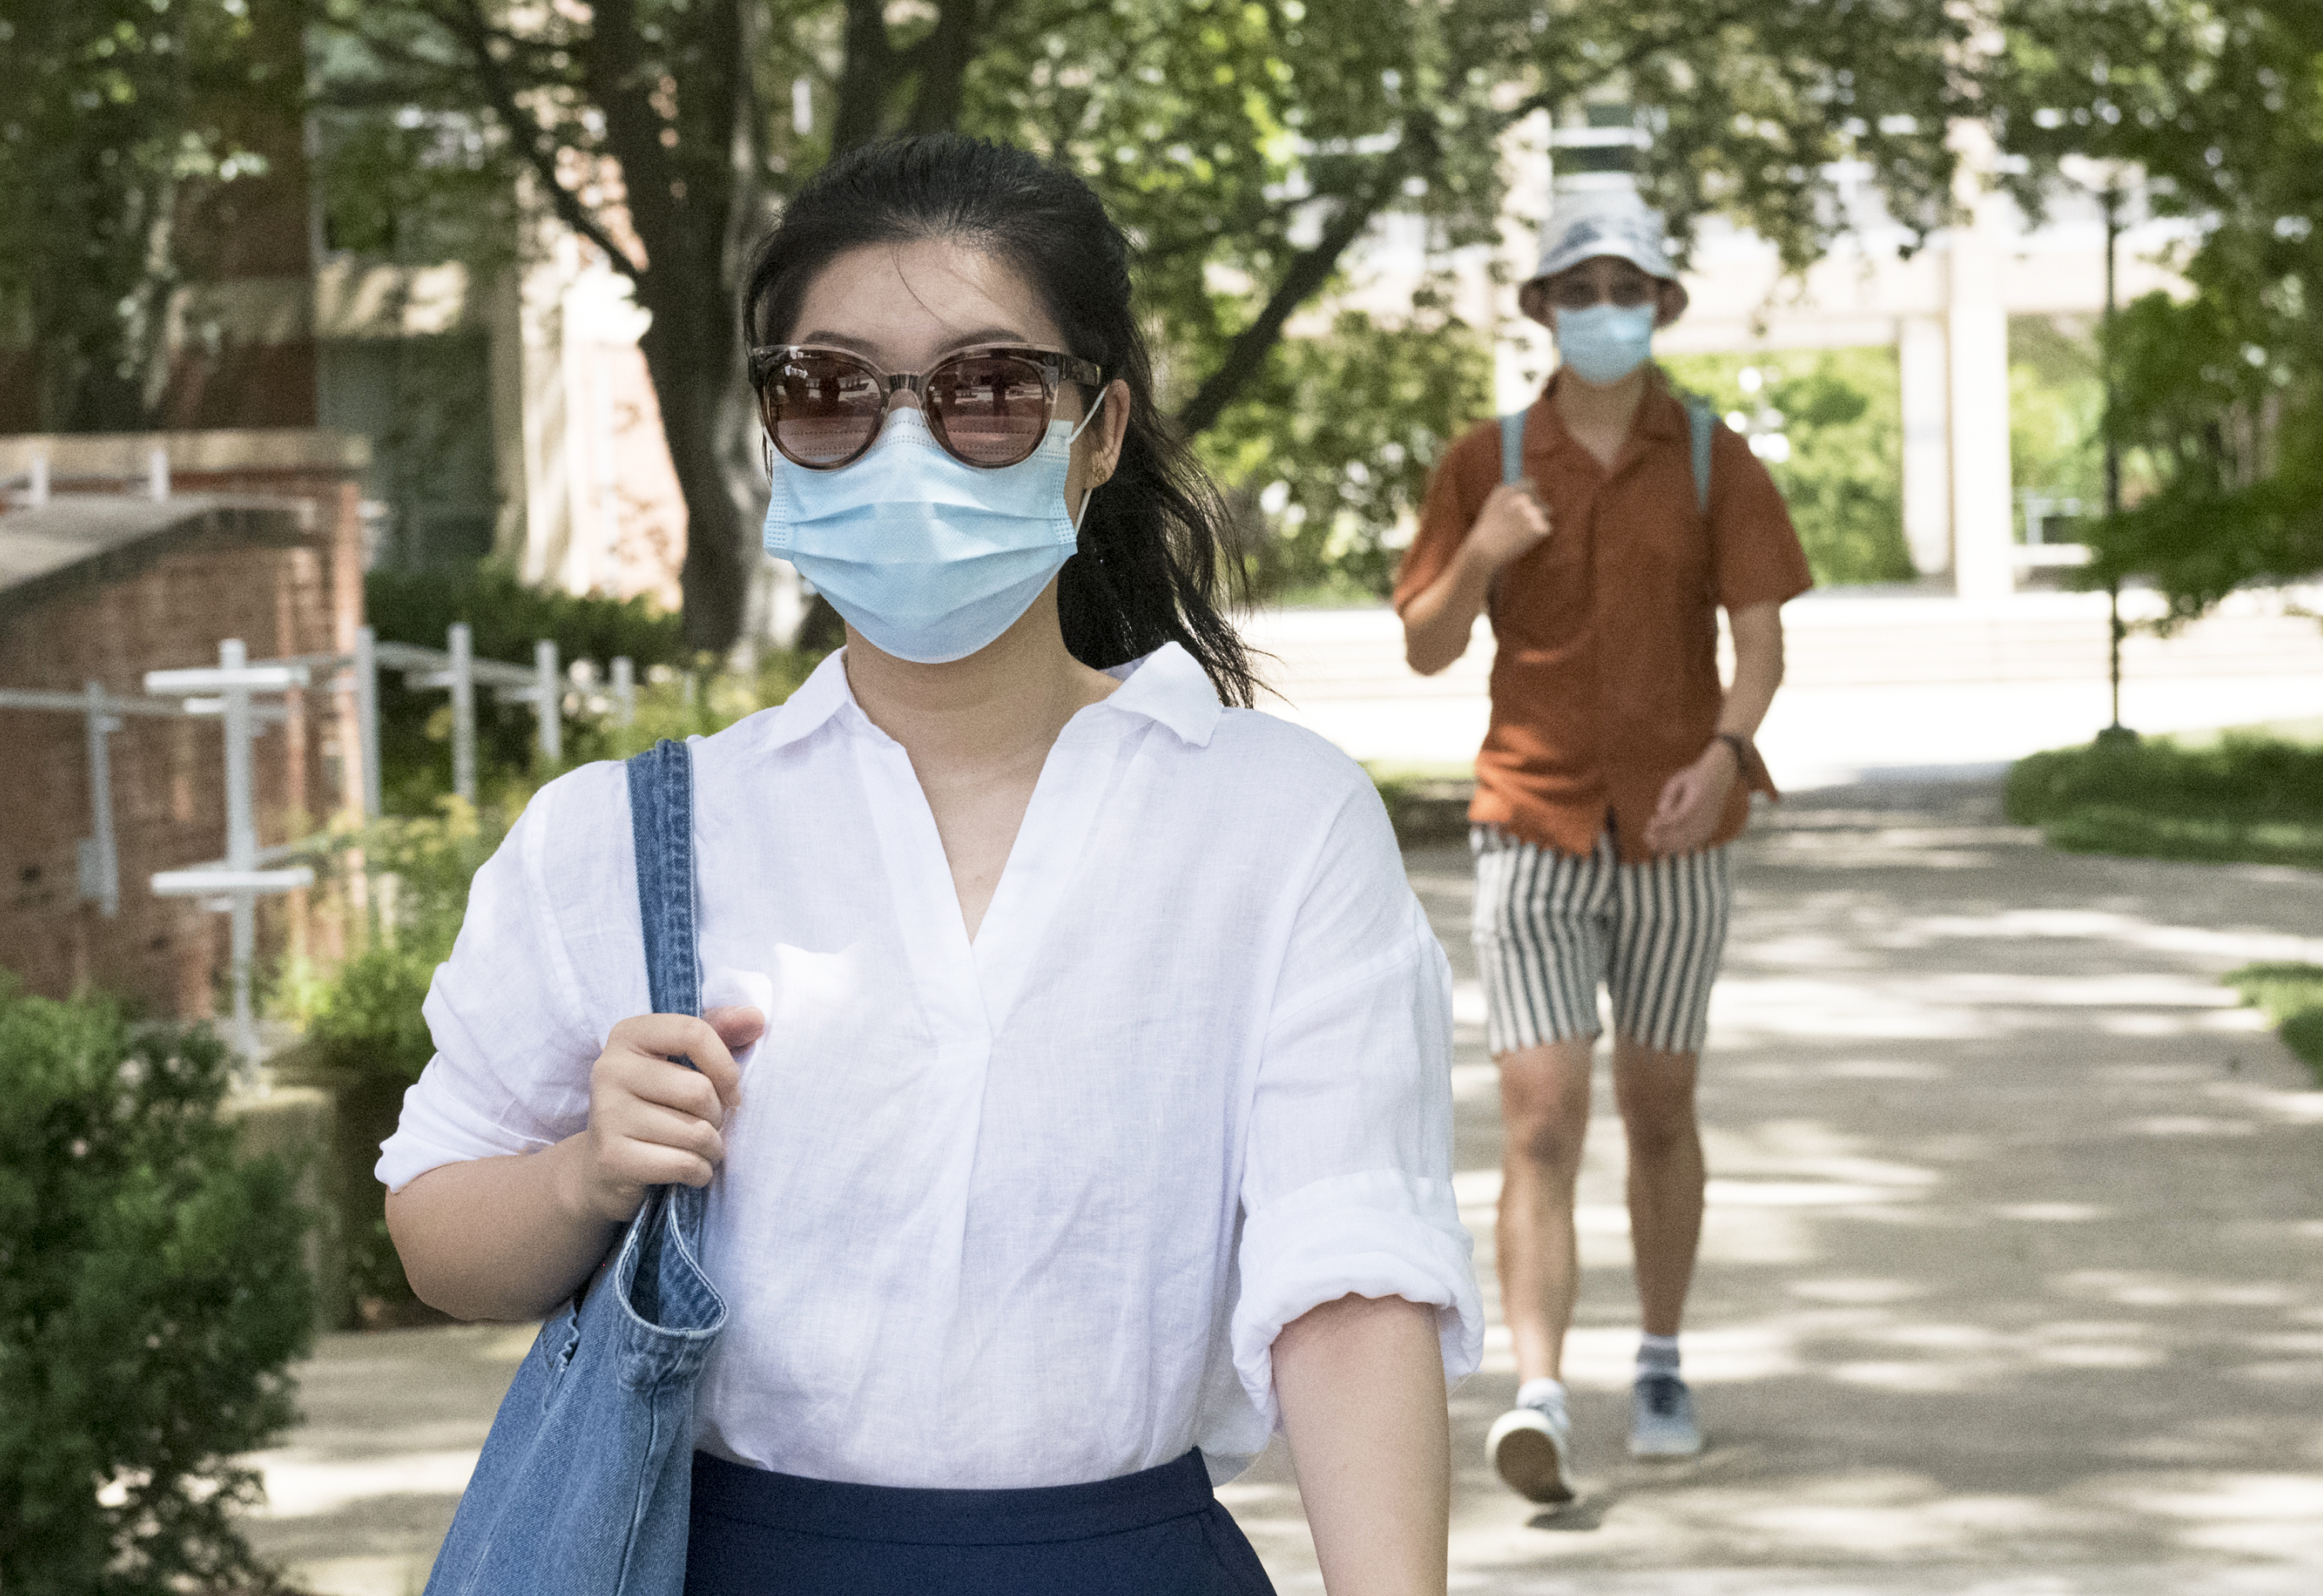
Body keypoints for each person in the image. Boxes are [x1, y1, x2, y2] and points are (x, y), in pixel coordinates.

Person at [379, 134, 1480, 1595]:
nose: (906, 442)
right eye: (830, 388)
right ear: (774, 428)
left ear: (1098, 430)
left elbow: (1348, 1283)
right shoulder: (630, 833)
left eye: (987, 388)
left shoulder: (1273, 824)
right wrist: (587, 1171)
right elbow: (436, 1227)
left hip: (1124, 1560)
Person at [1393, 186, 1809, 1503]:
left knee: (1659, 1108)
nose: (1605, 311)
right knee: (1541, 1116)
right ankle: (1540, 1395)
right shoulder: (1487, 459)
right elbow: (1425, 640)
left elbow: (1762, 644)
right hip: (1531, 817)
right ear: (1545, 309)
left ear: (1662, 306)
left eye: (1628, 289)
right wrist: (1484, 554)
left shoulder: (1712, 457)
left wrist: (1724, 754)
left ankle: (1665, 1357)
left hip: (1680, 828)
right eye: (1581, 290)